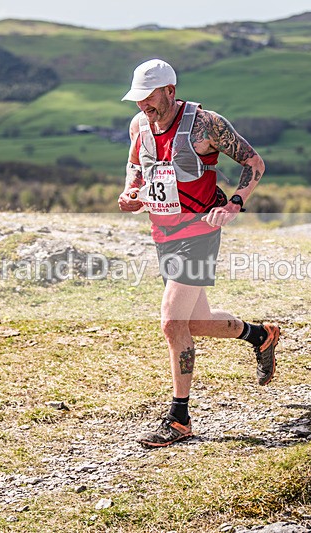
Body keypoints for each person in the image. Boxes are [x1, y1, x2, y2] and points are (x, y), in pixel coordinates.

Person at [117, 59, 280, 448]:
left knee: (172, 323)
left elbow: (253, 163)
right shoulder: (139, 126)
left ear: (170, 91)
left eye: (149, 97)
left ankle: (179, 418)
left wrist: (235, 203)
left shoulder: (206, 124)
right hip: (164, 233)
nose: (143, 105)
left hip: (200, 232)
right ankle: (260, 336)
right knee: (197, 321)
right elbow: (135, 164)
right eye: (137, 98)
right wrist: (130, 191)